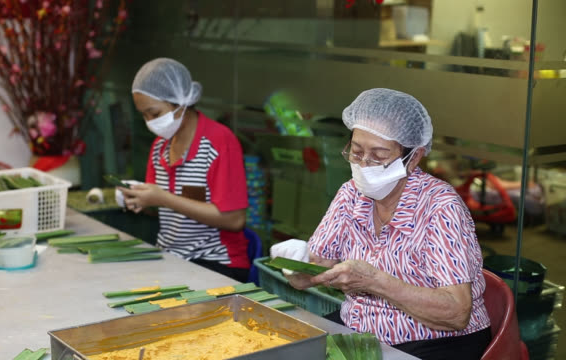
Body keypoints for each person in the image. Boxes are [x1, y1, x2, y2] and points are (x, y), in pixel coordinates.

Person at [271, 88, 491, 360]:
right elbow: (319, 267)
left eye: (379, 155)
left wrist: (376, 281)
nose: (364, 164)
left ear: (415, 157)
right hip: (361, 329)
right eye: (356, 151)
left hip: (436, 341)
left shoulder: (440, 206)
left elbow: (457, 313)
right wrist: (299, 265)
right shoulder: (350, 194)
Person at [117, 58, 250, 282]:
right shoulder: (160, 146)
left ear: (181, 102)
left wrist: (165, 199)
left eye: (155, 113)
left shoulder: (219, 142)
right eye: (144, 115)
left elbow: (234, 219)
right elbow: (160, 203)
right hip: (170, 257)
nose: (149, 122)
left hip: (216, 262)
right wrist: (140, 199)